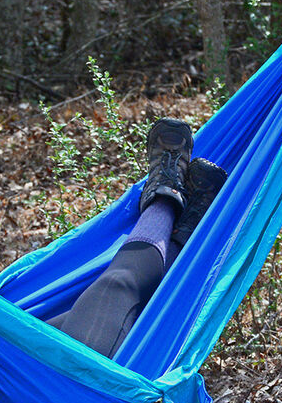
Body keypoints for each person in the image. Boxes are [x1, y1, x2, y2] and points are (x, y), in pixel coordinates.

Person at [47, 118, 227, 358]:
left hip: (2, 367)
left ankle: (174, 227)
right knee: (117, 285)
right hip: (71, 389)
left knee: (28, 329)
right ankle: (166, 203)